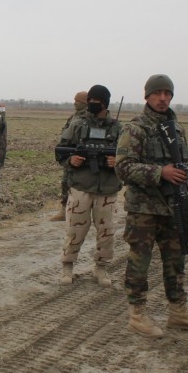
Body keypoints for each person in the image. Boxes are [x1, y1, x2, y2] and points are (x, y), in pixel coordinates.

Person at [115, 75, 188, 337]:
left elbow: (185, 166)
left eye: (167, 93)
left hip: (174, 207)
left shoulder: (177, 129)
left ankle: (178, 313)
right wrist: (161, 173)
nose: (163, 98)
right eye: (157, 93)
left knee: (175, 261)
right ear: (147, 96)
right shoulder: (135, 129)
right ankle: (137, 315)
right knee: (140, 262)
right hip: (144, 209)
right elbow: (123, 167)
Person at [56, 85, 121, 287]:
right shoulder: (78, 125)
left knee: (107, 233)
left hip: (108, 189)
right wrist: (71, 160)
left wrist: (118, 162)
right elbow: (60, 151)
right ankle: (68, 266)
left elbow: (132, 158)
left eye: (96, 101)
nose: (91, 104)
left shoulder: (119, 128)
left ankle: (101, 268)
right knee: (74, 230)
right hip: (81, 186)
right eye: (90, 100)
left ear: (105, 103)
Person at [50, 91, 89, 221]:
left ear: (83, 102)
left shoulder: (88, 117)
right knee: (65, 182)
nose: (74, 103)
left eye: (77, 101)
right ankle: (64, 210)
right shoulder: (73, 117)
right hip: (70, 153)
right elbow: (66, 132)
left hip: (82, 154)